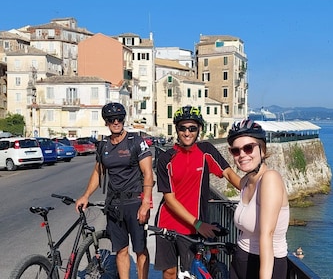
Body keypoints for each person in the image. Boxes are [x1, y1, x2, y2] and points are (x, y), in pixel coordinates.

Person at [154, 105, 241, 279]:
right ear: (177, 130)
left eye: (192, 128)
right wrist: (198, 224)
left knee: (191, 272)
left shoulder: (206, 150)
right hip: (168, 223)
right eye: (182, 128)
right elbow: (169, 199)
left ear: (199, 129)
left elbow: (229, 173)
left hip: (193, 228)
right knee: (170, 272)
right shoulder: (166, 158)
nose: (187, 133)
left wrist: (254, 193)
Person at [75, 102, 153, 279]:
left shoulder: (136, 141)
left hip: (134, 203)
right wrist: (86, 195)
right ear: (106, 122)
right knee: (121, 250)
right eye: (111, 119)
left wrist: (146, 203)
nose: (116, 122)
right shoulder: (104, 146)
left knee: (140, 250)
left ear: (124, 119)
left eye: (119, 118)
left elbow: (148, 173)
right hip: (114, 205)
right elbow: (98, 172)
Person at [227, 119, 289, 279]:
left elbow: (266, 234)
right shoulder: (247, 180)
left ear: (262, 150)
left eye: (248, 148)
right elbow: (230, 175)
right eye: (235, 151)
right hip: (240, 261)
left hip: (265, 266)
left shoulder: (270, 179)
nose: (242, 155)